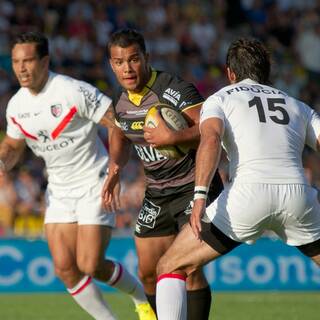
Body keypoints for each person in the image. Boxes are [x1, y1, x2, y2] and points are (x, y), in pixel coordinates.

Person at [155, 38, 320, 319]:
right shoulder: (297, 104)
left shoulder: (221, 98)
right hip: (297, 196)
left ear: (230, 73)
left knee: (170, 266)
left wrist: (199, 197)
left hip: (247, 197)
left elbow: (210, 140)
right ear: (267, 72)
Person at [0, 31, 155, 320]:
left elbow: (115, 121)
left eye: (29, 60)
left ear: (45, 61)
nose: (21, 68)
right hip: (58, 190)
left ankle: (141, 299)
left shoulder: (71, 91)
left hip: (94, 182)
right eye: (16, 61)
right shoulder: (17, 105)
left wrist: (115, 169)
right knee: (64, 268)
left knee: (90, 264)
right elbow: (12, 144)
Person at [102, 28, 224, 319]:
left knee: (188, 269)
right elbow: (119, 131)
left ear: (146, 57)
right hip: (157, 193)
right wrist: (115, 167)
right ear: (111, 64)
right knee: (146, 274)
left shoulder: (175, 89)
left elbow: (209, 132)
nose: (127, 68)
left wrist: (173, 138)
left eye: (133, 59)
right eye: (119, 62)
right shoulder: (120, 98)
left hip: (192, 188)